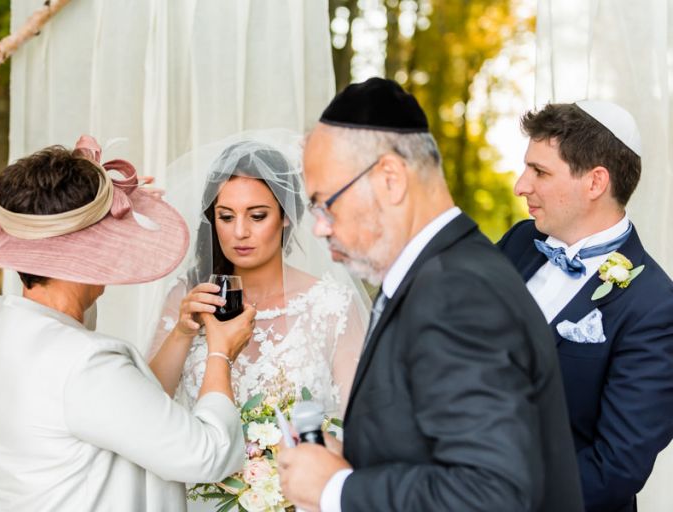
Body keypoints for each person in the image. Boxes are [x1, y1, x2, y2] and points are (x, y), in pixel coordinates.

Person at [277, 78, 584, 512]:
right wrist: (352, 460)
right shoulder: (437, 274)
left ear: (390, 179)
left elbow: (492, 494)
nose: (320, 227)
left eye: (326, 203)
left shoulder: (456, 292)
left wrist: (338, 489)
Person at [0, 136, 256, 511]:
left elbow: (67, 325)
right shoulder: (88, 364)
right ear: (86, 254)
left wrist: (181, 332)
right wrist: (221, 352)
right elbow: (209, 455)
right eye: (108, 239)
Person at [497, 101, 673, 512]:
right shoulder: (519, 243)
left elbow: (615, 467)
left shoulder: (654, 306)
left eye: (540, 171)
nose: (521, 186)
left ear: (595, 183)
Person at [146, 131, 370, 421]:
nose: (240, 232)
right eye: (226, 217)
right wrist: (183, 332)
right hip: (204, 465)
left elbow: (359, 421)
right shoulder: (187, 298)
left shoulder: (331, 306)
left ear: (285, 214)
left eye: (257, 216)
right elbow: (148, 408)